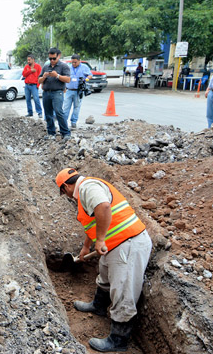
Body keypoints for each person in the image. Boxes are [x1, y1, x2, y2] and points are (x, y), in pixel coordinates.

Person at [55, 168, 152, 352]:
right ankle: (99, 306)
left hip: (128, 244)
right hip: (115, 245)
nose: (65, 196)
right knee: (105, 274)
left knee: (123, 290)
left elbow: (104, 207)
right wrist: (86, 247)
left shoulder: (87, 187)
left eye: (62, 192)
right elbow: (93, 222)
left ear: (66, 186)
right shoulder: (84, 190)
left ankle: (118, 340)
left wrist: (100, 240)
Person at [38, 48, 71, 141]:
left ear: (59, 56)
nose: (52, 61)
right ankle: (51, 133)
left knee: (58, 112)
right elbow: (39, 80)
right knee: (48, 114)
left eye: (54, 58)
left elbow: (68, 79)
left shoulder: (64, 66)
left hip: (57, 92)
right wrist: (44, 77)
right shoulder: (46, 67)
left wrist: (57, 75)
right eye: (50, 59)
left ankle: (65, 133)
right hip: (46, 93)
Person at [63, 54, 92, 129]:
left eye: (75, 62)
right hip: (69, 90)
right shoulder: (69, 67)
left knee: (76, 107)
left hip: (78, 91)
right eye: (72, 62)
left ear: (79, 61)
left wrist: (86, 79)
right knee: (66, 107)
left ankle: (73, 122)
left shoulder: (84, 67)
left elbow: (90, 75)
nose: (73, 64)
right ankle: (64, 122)